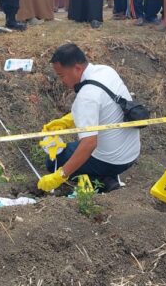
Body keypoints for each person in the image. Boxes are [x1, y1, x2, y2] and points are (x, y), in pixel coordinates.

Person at [37, 43, 140, 193]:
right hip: (131, 152)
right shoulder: (106, 71)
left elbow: (89, 144)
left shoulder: (86, 96)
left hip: (112, 160)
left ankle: (103, 179)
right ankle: (107, 178)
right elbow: (104, 106)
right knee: (72, 149)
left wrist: (59, 176)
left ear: (77, 68)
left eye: (61, 75)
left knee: (54, 160)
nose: (62, 81)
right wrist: (66, 121)